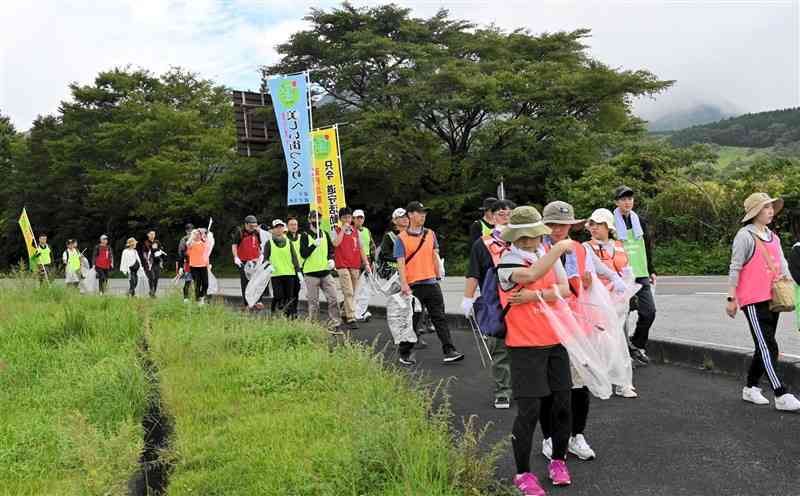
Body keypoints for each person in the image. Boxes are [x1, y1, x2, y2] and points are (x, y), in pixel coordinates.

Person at [495, 206, 576, 494]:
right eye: (525, 236)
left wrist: (537, 296)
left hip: (555, 342)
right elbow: (529, 275)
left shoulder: (545, 254)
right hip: (525, 347)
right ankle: (523, 474)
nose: (531, 241)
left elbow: (566, 290)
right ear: (515, 237)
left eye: (534, 235)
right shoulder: (506, 262)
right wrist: (558, 250)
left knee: (562, 407)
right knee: (529, 412)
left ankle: (558, 460)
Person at [727, 193, 800, 411]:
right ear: (755, 212)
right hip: (752, 299)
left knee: (765, 346)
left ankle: (750, 387)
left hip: (773, 297)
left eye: (771, 207)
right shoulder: (744, 236)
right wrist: (731, 298)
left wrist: (787, 280)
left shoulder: (773, 236)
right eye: (766, 207)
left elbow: (783, 264)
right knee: (769, 346)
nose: (771, 211)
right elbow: (735, 267)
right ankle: (781, 393)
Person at [461, 198, 515, 409]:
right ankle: (503, 390)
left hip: (524, 303)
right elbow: (473, 272)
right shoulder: (482, 244)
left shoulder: (525, 240)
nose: (506, 217)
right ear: (491, 217)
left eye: (510, 213)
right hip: (496, 304)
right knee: (500, 348)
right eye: (501, 213)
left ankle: (525, 388)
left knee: (527, 348)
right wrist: (467, 298)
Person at [396, 201, 464, 364]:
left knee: (439, 317)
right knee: (413, 320)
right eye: (420, 213)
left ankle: (449, 350)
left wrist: (439, 270)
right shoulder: (401, 238)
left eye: (424, 213)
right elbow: (400, 263)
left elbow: (435, 253)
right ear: (410, 215)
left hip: (431, 283)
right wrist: (404, 284)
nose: (423, 215)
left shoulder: (430, 234)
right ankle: (405, 352)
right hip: (413, 285)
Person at [584, 208, 638, 399]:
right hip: (598, 300)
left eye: (598, 224)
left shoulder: (618, 245)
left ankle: (623, 382)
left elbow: (627, 269)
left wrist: (627, 285)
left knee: (619, 339)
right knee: (602, 340)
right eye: (592, 224)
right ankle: (603, 379)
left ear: (608, 227)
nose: (594, 228)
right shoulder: (586, 247)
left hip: (620, 300)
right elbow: (593, 272)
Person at [613, 186, 656, 365]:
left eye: (630, 198)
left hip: (640, 273)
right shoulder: (611, 223)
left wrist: (652, 269)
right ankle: (622, 354)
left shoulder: (640, 221)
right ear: (616, 202)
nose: (627, 202)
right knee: (622, 315)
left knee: (649, 312)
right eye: (623, 199)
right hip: (620, 275)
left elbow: (646, 246)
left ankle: (636, 344)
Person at [299, 210, 343, 332]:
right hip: (311, 274)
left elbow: (330, 250)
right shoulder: (304, 235)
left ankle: (336, 323)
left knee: (333, 298)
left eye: (318, 218)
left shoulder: (325, 234)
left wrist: (331, 260)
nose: (316, 221)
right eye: (314, 218)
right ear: (309, 219)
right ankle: (313, 325)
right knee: (314, 303)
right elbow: (303, 254)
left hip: (325, 273)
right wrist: (313, 245)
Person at [332, 207, 372, 329]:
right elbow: (335, 243)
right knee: (348, 291)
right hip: (342, 265)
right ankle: (351, 317)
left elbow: (361, 249)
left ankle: (344, 312)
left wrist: (366, 264)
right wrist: (343, 231)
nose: (347, 219)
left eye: (349, 217)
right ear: (340, 219)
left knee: (353, 292)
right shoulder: (336, 230)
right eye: (344, 217)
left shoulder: (356, 232)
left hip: (354, 265)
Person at [265, 219, 301, 318]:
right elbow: (265, 259)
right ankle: (273, 311)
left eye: (281, 227)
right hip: (276, 274)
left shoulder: (289, 242)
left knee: (289, 297)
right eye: (276, 227)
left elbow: (294, 257)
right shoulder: (269, 243)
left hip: (289, 273)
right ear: (273, 230)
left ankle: (289, 315)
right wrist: (269, 266)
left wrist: (298, 271)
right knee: (278, 296)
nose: (279, 229)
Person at [232, 215, 269, 310]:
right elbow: (234, 245)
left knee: (256, 280)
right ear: (246, 224)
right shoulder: (240, 232)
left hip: (255, 261)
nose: (252, 228)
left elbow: (259, 245)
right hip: (243, 261)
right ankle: (247, 303)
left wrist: (261, 255)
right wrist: (236, 257)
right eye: (251, 226)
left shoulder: (256, 233)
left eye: (254, 226)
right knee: (245, 282)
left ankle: (258, 301)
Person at [353, 209, 376, 322]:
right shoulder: (350, 231)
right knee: (355, 288)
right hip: (355, 262)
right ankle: (352, 311)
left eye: (361, 217)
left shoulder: (367, 231)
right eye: (357, 217)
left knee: (366, 289)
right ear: (353, 219)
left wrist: (373, 261)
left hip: (367, 261)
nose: (359, 219)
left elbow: (372, 246)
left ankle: (360, 311)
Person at [187, 228, 212, 305]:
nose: (198, 236)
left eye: (199, 234)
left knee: (206, 283)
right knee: (197, 283)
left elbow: (206, 255)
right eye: (196, 235)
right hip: (194, 266)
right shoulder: (191, 244)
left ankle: (201, 296)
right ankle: (197, 300)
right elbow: (188, 248)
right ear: (193, 236)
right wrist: (193, 237)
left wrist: (208, 264)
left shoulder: (204, 243)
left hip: (203, 266)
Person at [287, 216, 303, 317]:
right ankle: (288, 311)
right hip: (288, 269)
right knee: (289, 292)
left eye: (295, 224)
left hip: (300, 269)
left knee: (296, 291)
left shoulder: (301, 237)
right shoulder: (284, 238)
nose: (294, 226)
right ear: (287, 226)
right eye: (291, 225)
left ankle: (294, 311)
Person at [140, 230, 162, 298]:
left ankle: (153, 292)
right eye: (151, 234)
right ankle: (151, 291)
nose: (152, 235)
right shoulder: (146, 243)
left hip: (157, 263)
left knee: (156, 278)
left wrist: (161, 261)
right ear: (148, 235)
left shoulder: (157, 242)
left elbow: (160, 251)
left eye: (153, 234)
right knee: (151, 277)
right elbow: (144, 253)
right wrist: (147, 260)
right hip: (149, 263)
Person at [177, 223, 194, 303]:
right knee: (188, 281)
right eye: (188, 230)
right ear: (186, 231)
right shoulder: (184, 240)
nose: (190, 232)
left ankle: (197, 297)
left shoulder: (197, 238)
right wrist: (180, 267)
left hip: (197, 264)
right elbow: (180, 254)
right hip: (188, 263)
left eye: (191, 230)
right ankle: (186, 298)